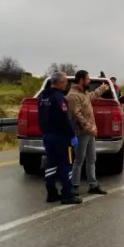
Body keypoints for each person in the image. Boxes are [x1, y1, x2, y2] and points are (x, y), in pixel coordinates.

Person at [38, 71, 82, 205]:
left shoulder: (42, 96)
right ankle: (67, 195)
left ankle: (51, 193)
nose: (66, 84)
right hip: (61, 137)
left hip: (47, 135)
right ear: (60, 82)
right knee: (65, 165)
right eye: (65, 82)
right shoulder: (58, 97)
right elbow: (65, 119)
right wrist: (72, 135)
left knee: (51, 164)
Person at [67, 70, 110, 196]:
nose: (89, 81)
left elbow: (92, 95)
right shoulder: (73, 95)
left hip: (90, 131)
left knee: (92, 158)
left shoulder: (83, 93)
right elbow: (77, 115)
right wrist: (89, 128)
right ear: (81, 80)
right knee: (79, 159)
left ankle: (93, 184)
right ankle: (75, 185)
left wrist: (101, 89)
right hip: (82, 132)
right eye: (88, 79)